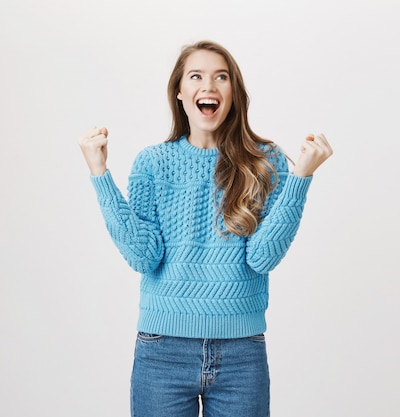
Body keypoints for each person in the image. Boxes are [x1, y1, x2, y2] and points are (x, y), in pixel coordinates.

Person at [77, 40, 332, 417]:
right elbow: (143, 256)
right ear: (180, 92)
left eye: (221, 77)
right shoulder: (153, 163)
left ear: (233, 92)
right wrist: (99, 173)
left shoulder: (266, 161)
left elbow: (262, 258)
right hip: (162, 351)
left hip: (241, 353)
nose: (208, 85)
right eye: (196, 76)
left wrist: (301, 177)